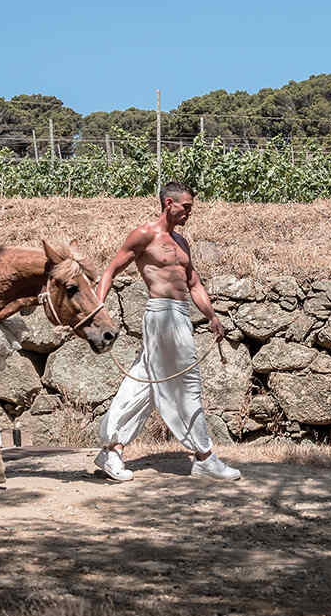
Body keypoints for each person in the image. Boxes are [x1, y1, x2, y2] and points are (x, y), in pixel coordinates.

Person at [91, 181, 242, 482]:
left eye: (191, 208)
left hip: (181, 315)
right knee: (187, 384)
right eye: (185, 207)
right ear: (168, 204)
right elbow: (110, 271)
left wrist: (212, 317)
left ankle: (111, 449)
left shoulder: (182, 243)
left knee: (145, 384)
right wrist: (97, 310)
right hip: (161, 315)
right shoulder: (144, 235)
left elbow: (194, 284)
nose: (189, 213)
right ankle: (204, 456)